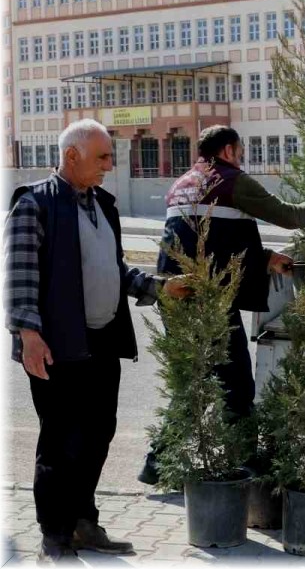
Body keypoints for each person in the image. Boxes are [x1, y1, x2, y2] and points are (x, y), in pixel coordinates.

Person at [4, 119, 189, 562]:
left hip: (102, 344)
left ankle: (85, 523)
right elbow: (19, 275)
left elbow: (114, 267)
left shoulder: (101, 204)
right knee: (60, 442)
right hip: (57, 347)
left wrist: (157, 287)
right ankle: (55, 537)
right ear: (72, 157)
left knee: (98, 434)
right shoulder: (34, 204)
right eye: (103, 157)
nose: (110, 165)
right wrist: (28, 334)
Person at [139, 125, 305, 485]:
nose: (241, 158)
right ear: (228, 150)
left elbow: (213, 241)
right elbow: (287, 215)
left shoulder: (181, 184)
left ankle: (157, 463)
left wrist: (267, 257)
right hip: (207, 297)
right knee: (236, 382)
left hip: (175, 291)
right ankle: (244, 464)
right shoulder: (230, 179)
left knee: (190, 378)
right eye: (240, 151)